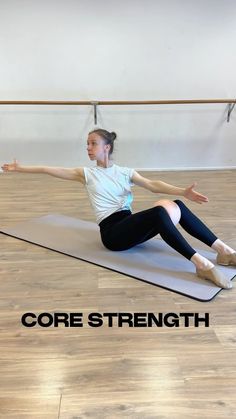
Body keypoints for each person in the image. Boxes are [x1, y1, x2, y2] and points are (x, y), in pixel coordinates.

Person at [2, 128, 235, 289]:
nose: (88, 148)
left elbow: (153, 185)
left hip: (129, 225)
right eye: (87, 144)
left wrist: (181, 191)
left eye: (93, 143)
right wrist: (21, 169)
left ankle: (223, 251)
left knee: (177, 206)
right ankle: (201, 265)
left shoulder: (125, 172)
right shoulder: (86, 173)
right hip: (113, 235)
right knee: (158, 213)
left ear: (107, 147)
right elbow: (48, 169)